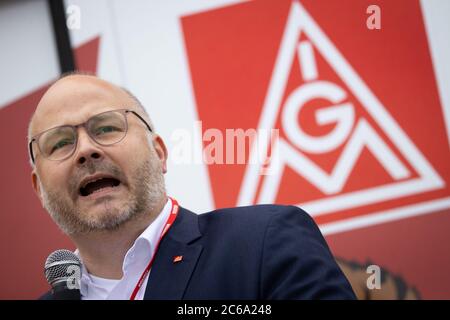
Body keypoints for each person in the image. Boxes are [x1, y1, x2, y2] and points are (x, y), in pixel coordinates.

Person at [29, 73, 356, 300]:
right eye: (59, 143)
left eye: (107, 127)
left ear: (159, 152)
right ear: (39, 189)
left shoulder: (265, 243)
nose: (86, 149)